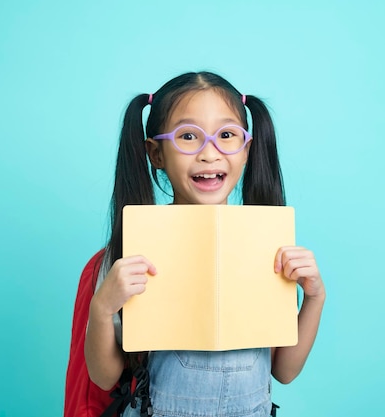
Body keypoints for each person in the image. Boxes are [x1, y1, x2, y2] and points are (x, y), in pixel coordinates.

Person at [83, 71, 326, 417]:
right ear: (156, 154)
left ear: (246, 150)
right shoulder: (133, 248)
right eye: (188, 136)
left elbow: (284, 371)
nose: (209, 153)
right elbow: (105, 377)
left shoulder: (265, 240)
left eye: (227, 135)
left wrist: (315, 297)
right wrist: (102, 308)